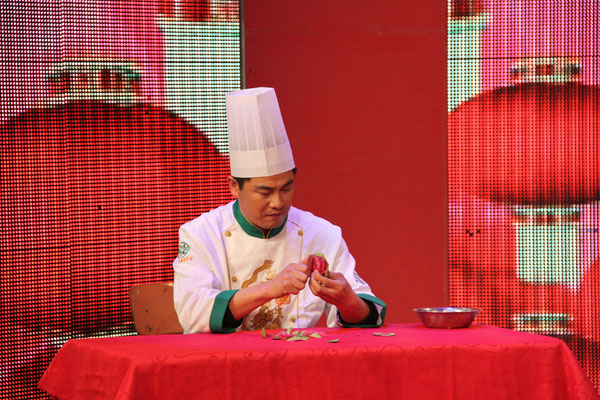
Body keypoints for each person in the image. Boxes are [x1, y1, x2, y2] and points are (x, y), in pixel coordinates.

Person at [173, 87, 386, 333]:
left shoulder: (322, 234)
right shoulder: (201, 233)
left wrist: (347, 300)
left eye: (286, 188)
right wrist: (269, 289)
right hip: (223, 356)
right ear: (234, 186)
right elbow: (192, 313)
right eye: (265, 192)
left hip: (298, 353)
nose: (277, 202)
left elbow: (369, 313)